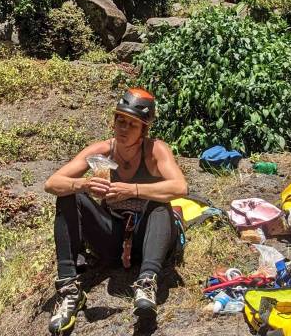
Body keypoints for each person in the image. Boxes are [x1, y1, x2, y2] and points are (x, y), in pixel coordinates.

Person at [44, 88, 188, 334]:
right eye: (120, 120)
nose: (123, 128)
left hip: (148, 238)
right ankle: (69, 289)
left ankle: (146, 282)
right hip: (112, 238)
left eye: (132, 124)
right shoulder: (101, 151)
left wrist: (133, 190)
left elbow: (180, 187)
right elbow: (52, 183)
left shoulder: (155, 151)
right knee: (69, 195)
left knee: (160, 203)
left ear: (144, 129)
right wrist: (84, 184)